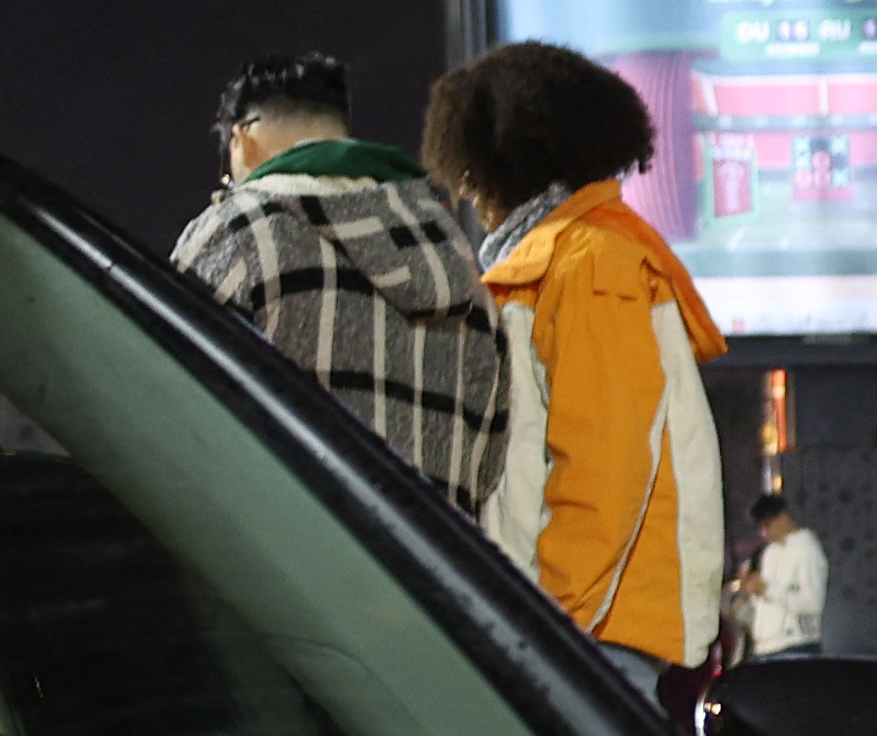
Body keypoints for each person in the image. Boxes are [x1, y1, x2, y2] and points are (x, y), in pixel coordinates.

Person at [421, 43, 729, 698]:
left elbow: (606, 463)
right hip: (577, 622)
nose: (466, 191)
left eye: (471, 171)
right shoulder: (568, 256)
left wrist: (548, 624)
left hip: (585, 632)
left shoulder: (589, 261)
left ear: (504, 162)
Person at [167, 50, 506, 509]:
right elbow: (489, 467)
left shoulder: (241, 233)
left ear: (242, 138)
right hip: (430, 554)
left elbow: (167, 412)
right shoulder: (461, 264)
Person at [737, 493, 833, 660]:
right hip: (764, 648)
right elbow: (763, 604)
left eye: (768, 525)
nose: (765, 533)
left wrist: (767, 589)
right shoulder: (768, 553)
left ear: (783, 517)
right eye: (761, 527)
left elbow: (813, 603)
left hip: (795, 646)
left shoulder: (807, 549)